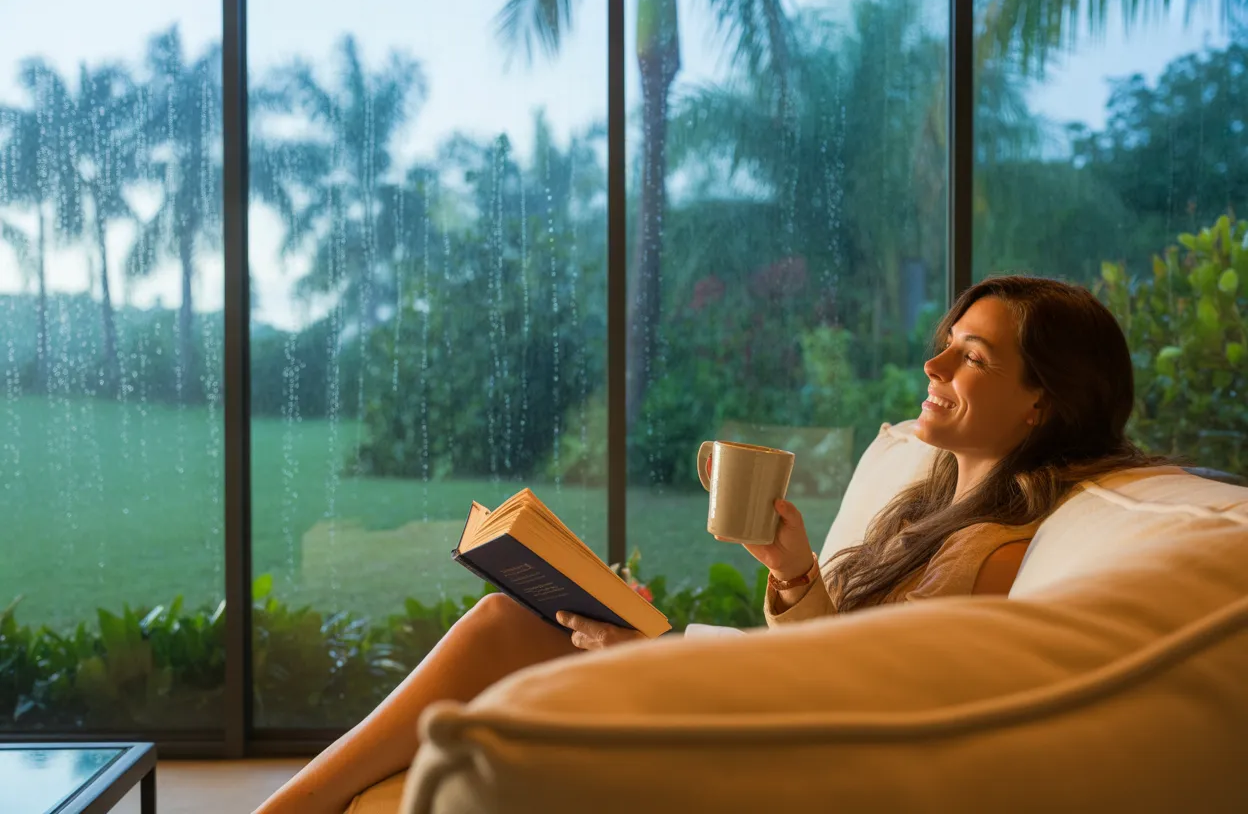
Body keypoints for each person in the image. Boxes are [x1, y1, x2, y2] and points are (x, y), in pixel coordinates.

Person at [256, 275, 1164, 813]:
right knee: (507, 617)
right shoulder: (933, 499)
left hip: (780, 746)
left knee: (504, 631)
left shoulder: (999, 555)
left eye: (971, 356)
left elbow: (872, 716)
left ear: (1043, 401)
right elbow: (848, 657)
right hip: (777, 705)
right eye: (946, 345)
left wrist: (677, 655)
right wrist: (792, 570)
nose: (934, 367)